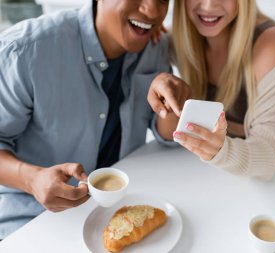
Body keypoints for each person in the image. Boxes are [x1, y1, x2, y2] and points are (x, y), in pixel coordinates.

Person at [0, 0, 190, 239]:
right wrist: (32, 180)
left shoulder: (154, 44)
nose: (152, 11)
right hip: (32, 220)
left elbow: (164, 134)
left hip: (115, 213)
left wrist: (172, 101)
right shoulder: (26, 50)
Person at [148, 0, 275, 187]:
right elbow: (167, 133)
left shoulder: (269, 43)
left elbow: (268, 158)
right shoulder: (178, 40)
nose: (209, 6)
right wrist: (163, 85)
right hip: (234, 169)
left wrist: (220, 150)